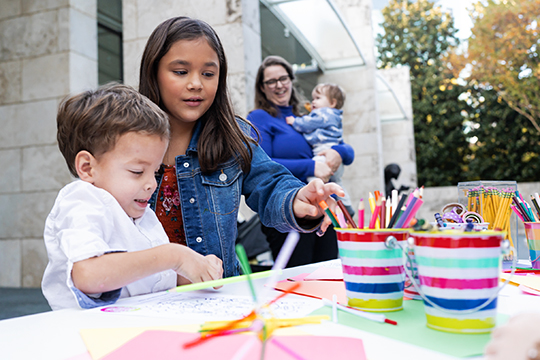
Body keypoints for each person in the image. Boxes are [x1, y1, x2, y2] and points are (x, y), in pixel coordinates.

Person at [138, 17, 344, 278]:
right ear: (153, 71)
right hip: (140, 301)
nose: (196, 84)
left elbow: (270, 185)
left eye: (208, 73)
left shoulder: (232, 136)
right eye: (181, 72)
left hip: (218, 297)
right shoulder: (124, 136)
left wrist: (297, 200)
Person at [42, 84, 223, 310]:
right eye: (137, 171)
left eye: (155, 171)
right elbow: (88, 275)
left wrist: (194, 270)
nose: (152, 184)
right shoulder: (82, 200)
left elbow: (152, 277)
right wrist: (173, 255)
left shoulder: (140, 215)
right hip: (88, 336)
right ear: (87, 168)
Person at [247, 55, 355, 267]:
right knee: (298, 279)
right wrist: (311, 166)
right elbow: (263, 165)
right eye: (271, 81)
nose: (279, 85)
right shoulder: (259, 117)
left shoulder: (305, 119)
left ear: (291, 80)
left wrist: (338, 152)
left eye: (283, 78)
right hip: (288, 213)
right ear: (262, 87)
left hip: (323, 208)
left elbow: (349, 152)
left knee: (327, 273)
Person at [285, 83, 354, 216]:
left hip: (323, 156)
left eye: (318, 98)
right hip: (335, 164)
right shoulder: (334, 116)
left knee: (314, 180)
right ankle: (347, 206)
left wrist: (295, 122)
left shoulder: (325, 114)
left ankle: (317, 199)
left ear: (332, 103)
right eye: (313, 98)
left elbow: (309, 124)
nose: (313, 101)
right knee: (338, 184)